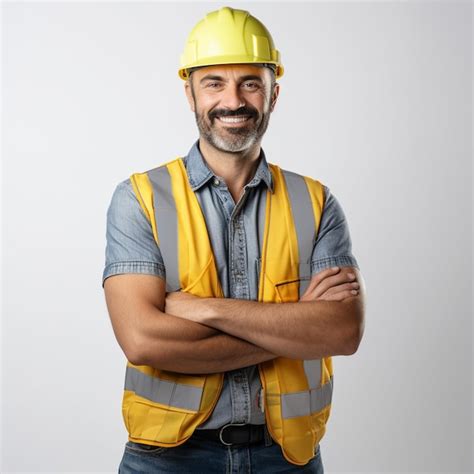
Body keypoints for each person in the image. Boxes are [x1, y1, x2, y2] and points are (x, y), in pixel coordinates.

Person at [102, 6, 366, 473]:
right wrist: (298, 327)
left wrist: (205, 308)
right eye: (214, 83)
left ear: (273, 94)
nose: (233, 100)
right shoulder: (139, 199)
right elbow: (143, 340)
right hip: (166, 459)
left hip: (284, 458)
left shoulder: (316, 201)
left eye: (250, 82)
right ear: (190, 93)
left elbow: (342, 332)